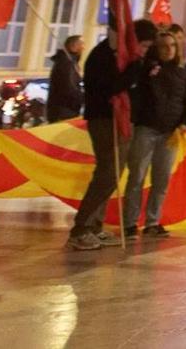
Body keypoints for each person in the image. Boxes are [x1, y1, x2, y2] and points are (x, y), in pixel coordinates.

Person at [122, 21, 186, 238]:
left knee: (161, 179)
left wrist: (184, 123)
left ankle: (153, 221)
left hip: (171, 132)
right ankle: (130, 222)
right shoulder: (145, 70)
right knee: (137, 176)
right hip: (146, 128)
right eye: (163, 46)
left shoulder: (182, 74)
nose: (168, 49)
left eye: (172, 45)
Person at [67, 24, 124, 250]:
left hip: (111, 119)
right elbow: (110, 87)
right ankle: (81, 228)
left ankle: (94, 226)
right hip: (103, 118)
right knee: (107, 172)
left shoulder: (110, 55)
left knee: (111, 173)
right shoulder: (103, 56)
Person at [48, 34, 85, 122]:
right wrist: (85, 99)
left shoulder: (70, 62)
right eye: (82, 44)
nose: (84, 47)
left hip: (66, 110)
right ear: (74, 46)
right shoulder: (66, 64)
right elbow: (69, 88)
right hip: (64, 112)